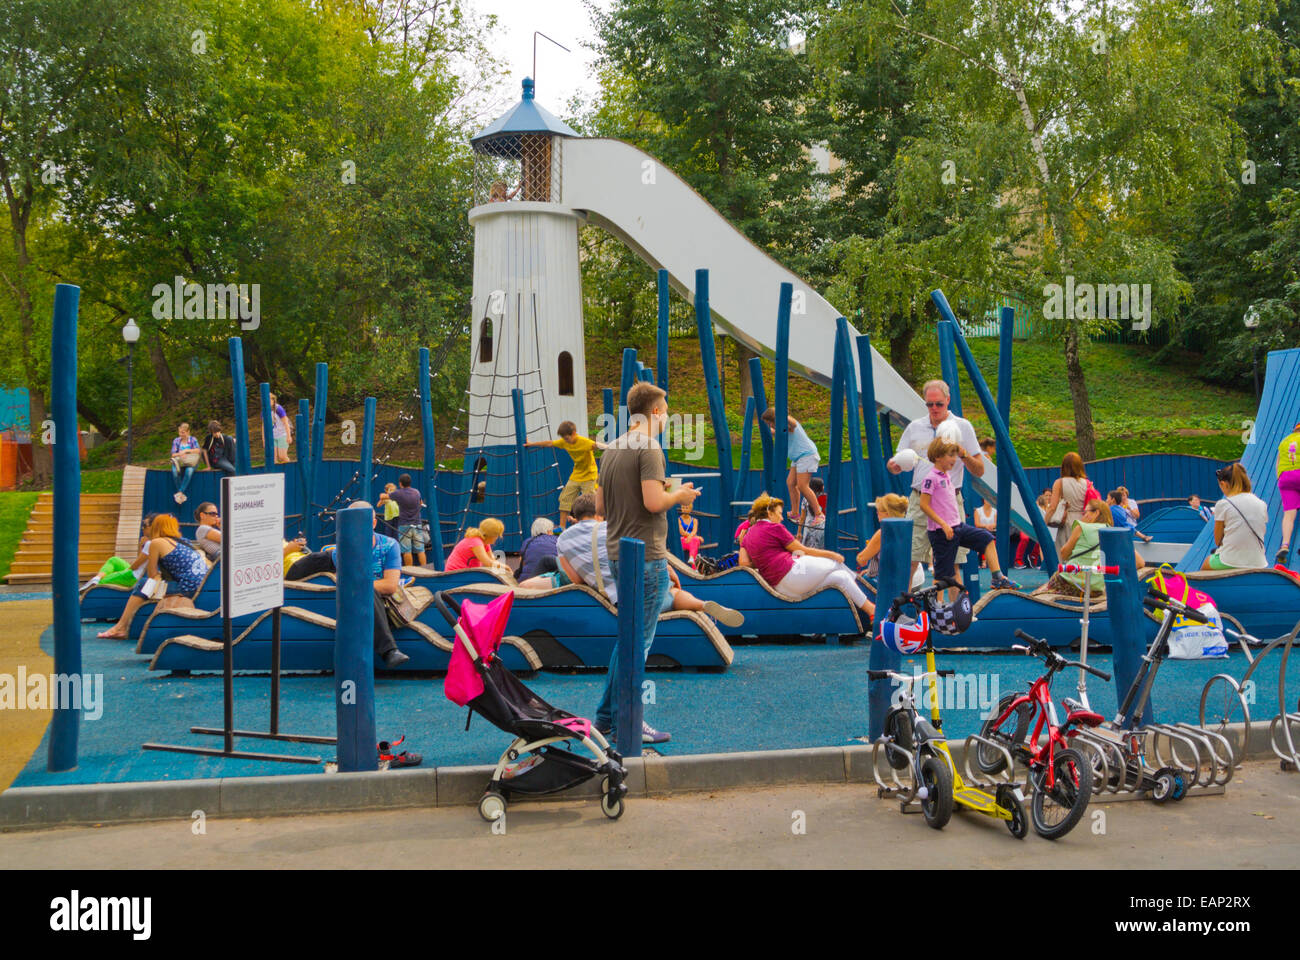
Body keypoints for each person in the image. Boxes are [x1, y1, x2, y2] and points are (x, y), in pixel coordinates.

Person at [594, 381, 699, 745]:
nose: (668, 415)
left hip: (618, 552)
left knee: (628, 638)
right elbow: (654, 503)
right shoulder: (649, 447)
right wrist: (679, 494)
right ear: (655, 412)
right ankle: (630, 719)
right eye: (666, 408)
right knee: (639, 642)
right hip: (645, 554)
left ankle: (607, 717)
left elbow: (600, 509)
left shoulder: (612, 448)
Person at [528, 495, 742, 629]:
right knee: (674, 594)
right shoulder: (615, 528)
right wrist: (669, 573)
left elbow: (574, 579)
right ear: (600, 514)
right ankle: (701, 605)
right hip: (647, 587)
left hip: (617, 599)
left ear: (575, 516)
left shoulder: (563, 539)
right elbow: (648, 554)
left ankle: (695, 603)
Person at [282, 504, 411, 668]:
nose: (357, 529)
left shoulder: (389, 545)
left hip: (377, 600)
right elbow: (347, 579)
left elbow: (390, 586)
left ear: (373, 523)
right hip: (355, 594)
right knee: (318, 559)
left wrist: (358, 586)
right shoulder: (344, 548)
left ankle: (389, 651)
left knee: (367, 591)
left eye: (362, 524)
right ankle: (389, 651)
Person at [886, 379, 985, 585]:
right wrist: (894, 465)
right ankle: (902, 610)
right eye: (929, 404)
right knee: (911, 559)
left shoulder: (962, 427)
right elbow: (896, 462)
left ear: (948, 400)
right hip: (920, 498)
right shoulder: (915, 427)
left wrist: (963, 453)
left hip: (950, 500)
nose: (934, 409)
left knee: (954, 562)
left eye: (939, 404)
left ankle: (955, 613)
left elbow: (980, 470)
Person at [740, 493, 875, 624]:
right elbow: (803, 550)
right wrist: (832, 554)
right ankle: (873, 597)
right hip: (792, 573)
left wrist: (763, 558)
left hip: (781, 587)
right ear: (769, 513)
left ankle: (871, 611)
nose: (782, 518)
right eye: (779, 513)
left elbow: (744, 563)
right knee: (835, 562)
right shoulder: (774, 527)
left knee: (841, 577)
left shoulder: (748, 535)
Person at [919, 438, 1019, 594]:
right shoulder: (931, 478)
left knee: (986, 538)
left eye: (954, 455)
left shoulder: (947, 476)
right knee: (942, 575)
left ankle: (997, 577)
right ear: (938, 456)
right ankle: (935, 608)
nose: (954, 459)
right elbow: (924, 505)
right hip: (941, 532)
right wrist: (943, 524)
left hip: (957, 527)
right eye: (950, 455)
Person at [96, 514, 209, 639]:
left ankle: (121, 626)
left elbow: (152, 574)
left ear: (157, 527)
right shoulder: (185, 542)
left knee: (143, 584)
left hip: (186, 588)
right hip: (202, 586)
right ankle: (122, 626)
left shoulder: (156, 542)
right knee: (150, 585)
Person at [1034, 499, 1137, 597]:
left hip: (1072, 581)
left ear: (1096, 513)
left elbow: (1063, 554)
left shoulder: (1081, 527)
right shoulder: (1114, 533)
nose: (1083, 515)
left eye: (1085, 512)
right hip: (1097, 587)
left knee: (1042, 590)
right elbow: (1140, 562)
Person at [528, 420, 605, 527]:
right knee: (565, 498)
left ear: (573, 433)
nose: (566, 441)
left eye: (567, 438)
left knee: (590, 501)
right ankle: (562, 527)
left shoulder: (584, 442)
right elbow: (550, 443)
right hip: (576, 475)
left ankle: (597, 524)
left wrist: (612, 447)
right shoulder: (564, 442)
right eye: (564, 439)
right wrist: (531, 444)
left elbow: (597, 445)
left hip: (589, 475)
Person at [762, 408, 822, 526]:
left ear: (775, 419)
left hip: (806, 455)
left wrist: (780, 414)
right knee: (790, 483)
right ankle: (795, 513)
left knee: (802, 486)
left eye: (770, 423)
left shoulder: (791, 424)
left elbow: (792, 423)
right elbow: (775, 432)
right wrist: (768, 429)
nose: (770, 426)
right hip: (797, 457)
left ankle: (819, 514)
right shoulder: (783, 428)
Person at [1203, 463, 1269, 570]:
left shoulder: (1223, 504)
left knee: (1205, 565)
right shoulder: (1261, 504)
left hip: (1230, 560)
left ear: (1224, 484)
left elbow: (1218, 540)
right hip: (1259, 561)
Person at [1043, 452, 1092, 558]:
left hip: (1067, 521)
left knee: (1065, 556)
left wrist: (1043, 524)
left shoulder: (1060, 483)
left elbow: (1052, 507)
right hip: (1084, 521)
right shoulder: (1088, 484)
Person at [856, 493, 910, 577]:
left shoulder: (883, 533)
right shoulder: (907, 529)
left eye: (879, 511)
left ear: (887, 513)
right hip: (912, 578)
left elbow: (861, 560)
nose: (877, 513)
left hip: (888, 582)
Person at [388, 473, 430, 567]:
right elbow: (421, 503)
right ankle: (425, 569)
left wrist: (387, 492)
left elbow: (385, 497)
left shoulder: (398, 493)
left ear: (400, 483)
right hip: (417, 524)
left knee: (406, 550)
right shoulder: (416, 492)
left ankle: (410, 571)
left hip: (404, 525)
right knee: (420, 549)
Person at [445, 518, 511, 576]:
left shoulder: (484, 542)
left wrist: (503, 568)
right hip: (455, 574)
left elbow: (492, 560)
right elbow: (488, 563)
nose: (497, 538)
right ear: (491, 535)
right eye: (497, 535)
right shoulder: (475, 541)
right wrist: (505, 567)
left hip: (465, 573)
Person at [1275, 423, 1300, 567]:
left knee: (1289, 515)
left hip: (1285, 478)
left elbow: (1278, 463)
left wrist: (1280, 479)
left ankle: (1285, 544)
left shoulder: (1284, 441)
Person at [170, 422, 201, 504]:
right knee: (175, 473)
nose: (181, 434)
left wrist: (186, 451)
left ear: (188, 432)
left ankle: (179, 493)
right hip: (180, 462)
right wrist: (180, 454)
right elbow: (173, 454)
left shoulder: (193, 440)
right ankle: (181, 494)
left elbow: (198, 450)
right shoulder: (176, 440)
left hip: (191, 462)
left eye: (183, 432)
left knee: (189, 471)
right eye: (180, 432)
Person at [974, 495, 998, 567]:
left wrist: (991, 526)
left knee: (989, 539)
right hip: (980, 532)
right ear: (983, 500)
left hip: (993, 532)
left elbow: (996, 523)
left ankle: (986, 562)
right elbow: (977, 524)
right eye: (987, 499)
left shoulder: (995, 511)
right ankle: (983, 562)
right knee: (985, 538)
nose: (989, 501)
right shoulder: (977, 511)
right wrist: (986, 526)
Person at [268, 392, 292, 464]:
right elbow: (263, 426)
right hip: (273, 436)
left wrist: (288, 436)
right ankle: (277, 473)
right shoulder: (265, 411)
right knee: (273, 458)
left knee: (282, 456)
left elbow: (286, 423)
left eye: (268, 400)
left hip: (282, 434)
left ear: (273, 400)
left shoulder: (278, 409)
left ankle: (288, 468)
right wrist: (264, 439)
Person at [678, 500, 702, 567]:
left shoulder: (694, 520)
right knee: (696, 540)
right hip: (683, 540)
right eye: (683, 508)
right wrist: (694, 536)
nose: (685, 509)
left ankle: (691, 558)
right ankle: (694, 567)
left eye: (687, 508)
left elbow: (694, 531)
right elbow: (681, 532)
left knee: (695, 541)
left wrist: (691, 537)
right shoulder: (679, 519)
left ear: (690, 509)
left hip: (692, 540)